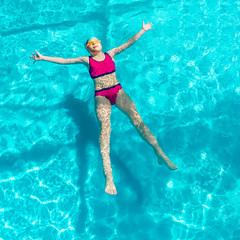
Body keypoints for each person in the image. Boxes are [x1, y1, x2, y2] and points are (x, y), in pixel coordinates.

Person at [30, 21, 178, 195]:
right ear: (87, 49)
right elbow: (64, 61)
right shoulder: (86, 60)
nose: (94, 44)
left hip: (118, 91)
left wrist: (143, 30)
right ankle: (109, 177)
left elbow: (128, 43)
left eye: (96, 41)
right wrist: (43, 58)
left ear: (100, 43)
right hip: (101, 96)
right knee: (105, 132)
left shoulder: (111, 53)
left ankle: (160, 153)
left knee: (138, 121)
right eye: (90, 44)